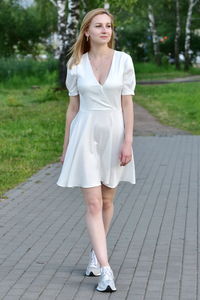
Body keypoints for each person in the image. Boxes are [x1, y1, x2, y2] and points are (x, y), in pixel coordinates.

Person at [57, 7, 136, 293]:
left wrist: (128, 141)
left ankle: (95, 253)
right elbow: (72, 108)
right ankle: (106, 269)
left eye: (109, 26)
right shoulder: (76, 64)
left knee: (106, 201)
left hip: (114, 135)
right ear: (87, 31)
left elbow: (127, 103)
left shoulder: (124, 61)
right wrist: (66, 148)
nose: (105, 30)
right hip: (85, 135)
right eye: (99, 26)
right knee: (92, 203)